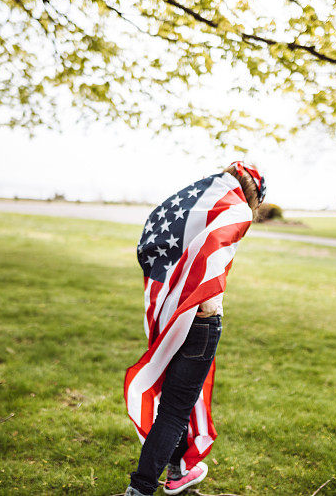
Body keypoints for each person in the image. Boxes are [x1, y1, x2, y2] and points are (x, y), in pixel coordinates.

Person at [123, 162, 265, 496]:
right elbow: (211, 251)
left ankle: (178, 473)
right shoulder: (232, 209)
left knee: (173, 404)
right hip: (200, 321)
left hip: (173, 313)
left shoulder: (190, 202)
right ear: (252, 192)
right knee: (175, 410)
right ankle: (141, 488)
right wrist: (206, 301)